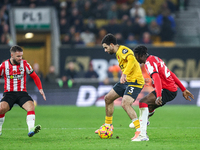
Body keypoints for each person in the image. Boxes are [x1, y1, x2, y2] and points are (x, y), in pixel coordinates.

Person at [131, 45, 194, 141]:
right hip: (170, 90)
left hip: (167, 90)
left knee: (142, 102)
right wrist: (183, 89)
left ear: (141, 55)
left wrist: (159, 95)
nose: (136, 59)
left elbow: (157, 78)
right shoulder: (155, 58)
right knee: (149, 106)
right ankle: (145, 119)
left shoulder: (149, 63)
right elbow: (171, 73)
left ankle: (142, 135)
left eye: (136, 56)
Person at [95, 33, 145, 141]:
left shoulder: (123, 51)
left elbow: (132, 60)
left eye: (106, 47)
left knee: (125, 103)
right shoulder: (118, 53)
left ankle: (140, 132)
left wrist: (124, 74)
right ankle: (108, 126)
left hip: (135, 81)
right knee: (108, 98)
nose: (105, 50)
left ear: (112, 45)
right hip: (126, 81)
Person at [0, 45, 46, 137]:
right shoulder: (4, 65)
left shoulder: (25, 64)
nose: (20, 58)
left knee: (31, 106)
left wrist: (40, 89)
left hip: (22, 93)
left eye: (21, 56)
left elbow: (35, 76)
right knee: (1, 109)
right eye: (18, 56)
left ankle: (31, 130)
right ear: (12, 55)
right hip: (9, 94)